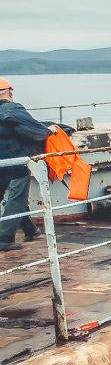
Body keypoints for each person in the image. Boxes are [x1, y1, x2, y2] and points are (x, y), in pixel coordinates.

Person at [0, 78, 54, 252]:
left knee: (13, 197)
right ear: (10, 91)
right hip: (17, 160)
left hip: (2, 160)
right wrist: (49, 131)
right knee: (17, 196)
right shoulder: (13, 108)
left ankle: (31, 230)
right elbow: (33, 130)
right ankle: (5, 238)